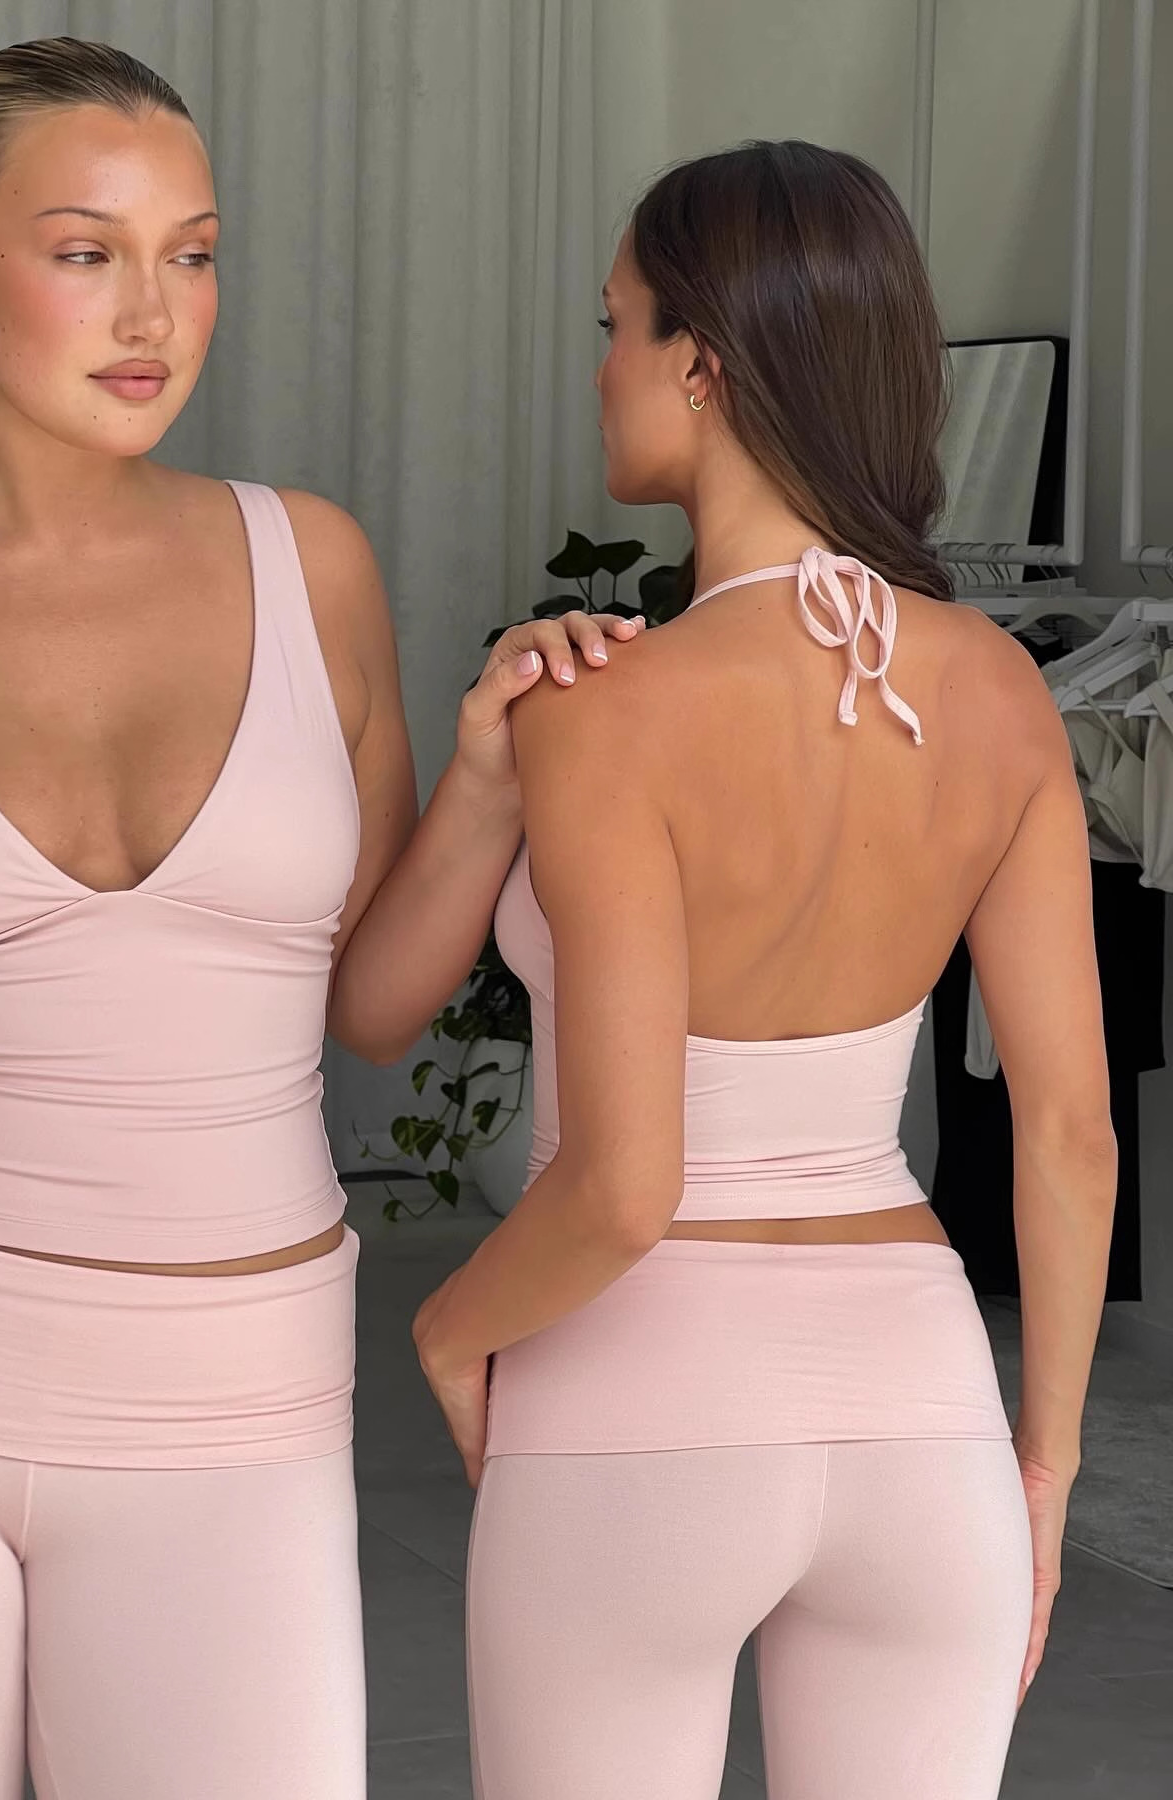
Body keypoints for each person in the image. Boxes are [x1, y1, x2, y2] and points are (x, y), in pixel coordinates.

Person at [0, 36, 635, 1800]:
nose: (154, 312)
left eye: (194, 254)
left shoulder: (314, 565)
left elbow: (369, 1002)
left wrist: (484, 783)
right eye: (86, 252)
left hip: (236, 1392)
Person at [413, 141, 1117, 1800]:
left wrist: (447, 1331)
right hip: (926, 1419)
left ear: (702, 366)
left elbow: (623, 1190)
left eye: (616, 326)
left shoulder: (604, 709)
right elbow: (1070, 1135)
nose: (601, 368)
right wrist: (1043, 1476)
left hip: (636, 1402)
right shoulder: (1001, 694)